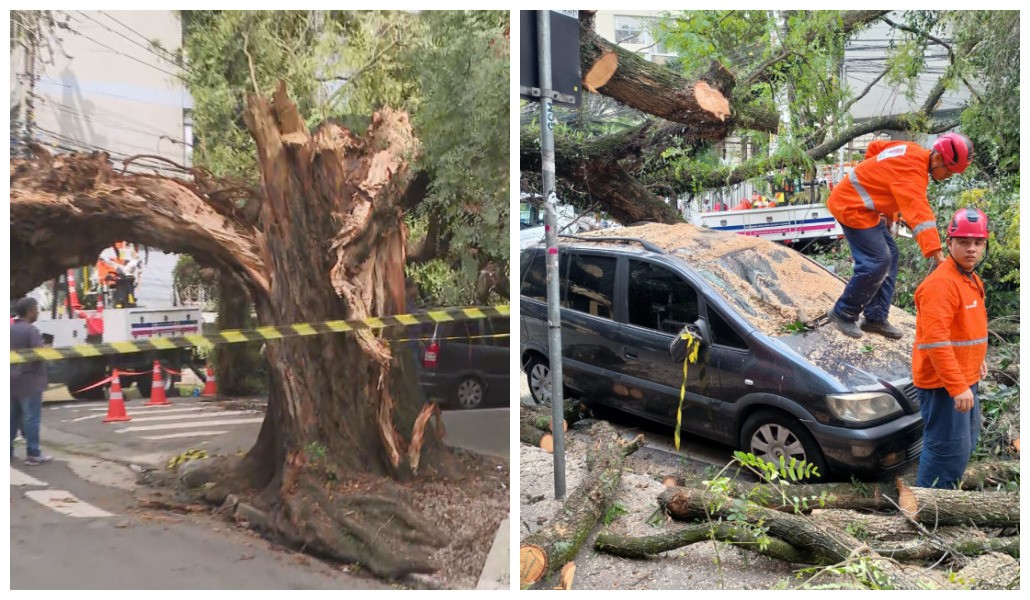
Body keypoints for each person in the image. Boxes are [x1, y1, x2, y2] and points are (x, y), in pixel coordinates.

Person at [826, 132, 974, 339]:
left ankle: (875, 317)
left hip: (863, 207)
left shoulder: (912, 149)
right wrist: (939, 257)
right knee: (877, 260)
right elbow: (921, 217)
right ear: (939, 158)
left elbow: (876, 147)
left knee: (891, 255)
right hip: (850, 206)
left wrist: (876, 179)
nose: (949, 177)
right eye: (949, 172)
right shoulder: (913, 174)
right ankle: (843, 312)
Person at [912, 208, 989, 488]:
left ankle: (939, 501)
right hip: (943, 385)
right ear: (950, 243)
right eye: (964, 242)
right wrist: (957, 386)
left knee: (965, 444)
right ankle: (926, 510)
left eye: (978, 243)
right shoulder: (942, 284)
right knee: (946, 451)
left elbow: (967, 329)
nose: (971, 249)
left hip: (966, 377)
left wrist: (977, 360)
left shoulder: (969, 278)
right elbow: (936, 341)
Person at [10, 297, 53, 465]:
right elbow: (39, 353)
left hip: (10, 381)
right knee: (31, 418)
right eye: (36, 309)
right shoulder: (31, 330)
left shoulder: (9, 329)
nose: (37, 312)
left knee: (11, 418)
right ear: (29, 311)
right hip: (30, 381)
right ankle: (33, 453)